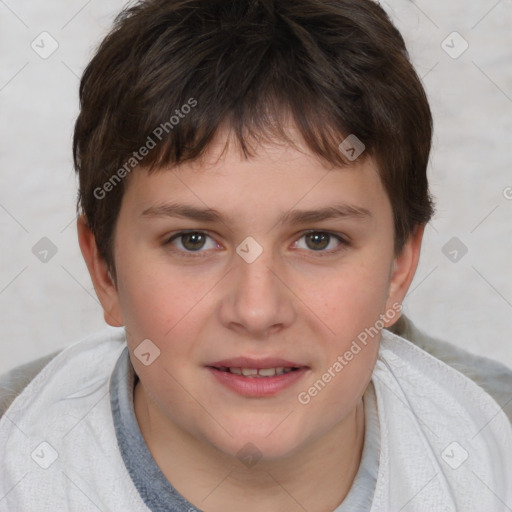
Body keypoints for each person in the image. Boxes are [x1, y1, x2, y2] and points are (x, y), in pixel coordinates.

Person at [1, 1, 511, 510]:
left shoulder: (493, 441)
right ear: (104, 271)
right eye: (193, 240)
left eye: (318, 240)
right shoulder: (20, 455)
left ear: (399, 268)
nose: (257, 310)